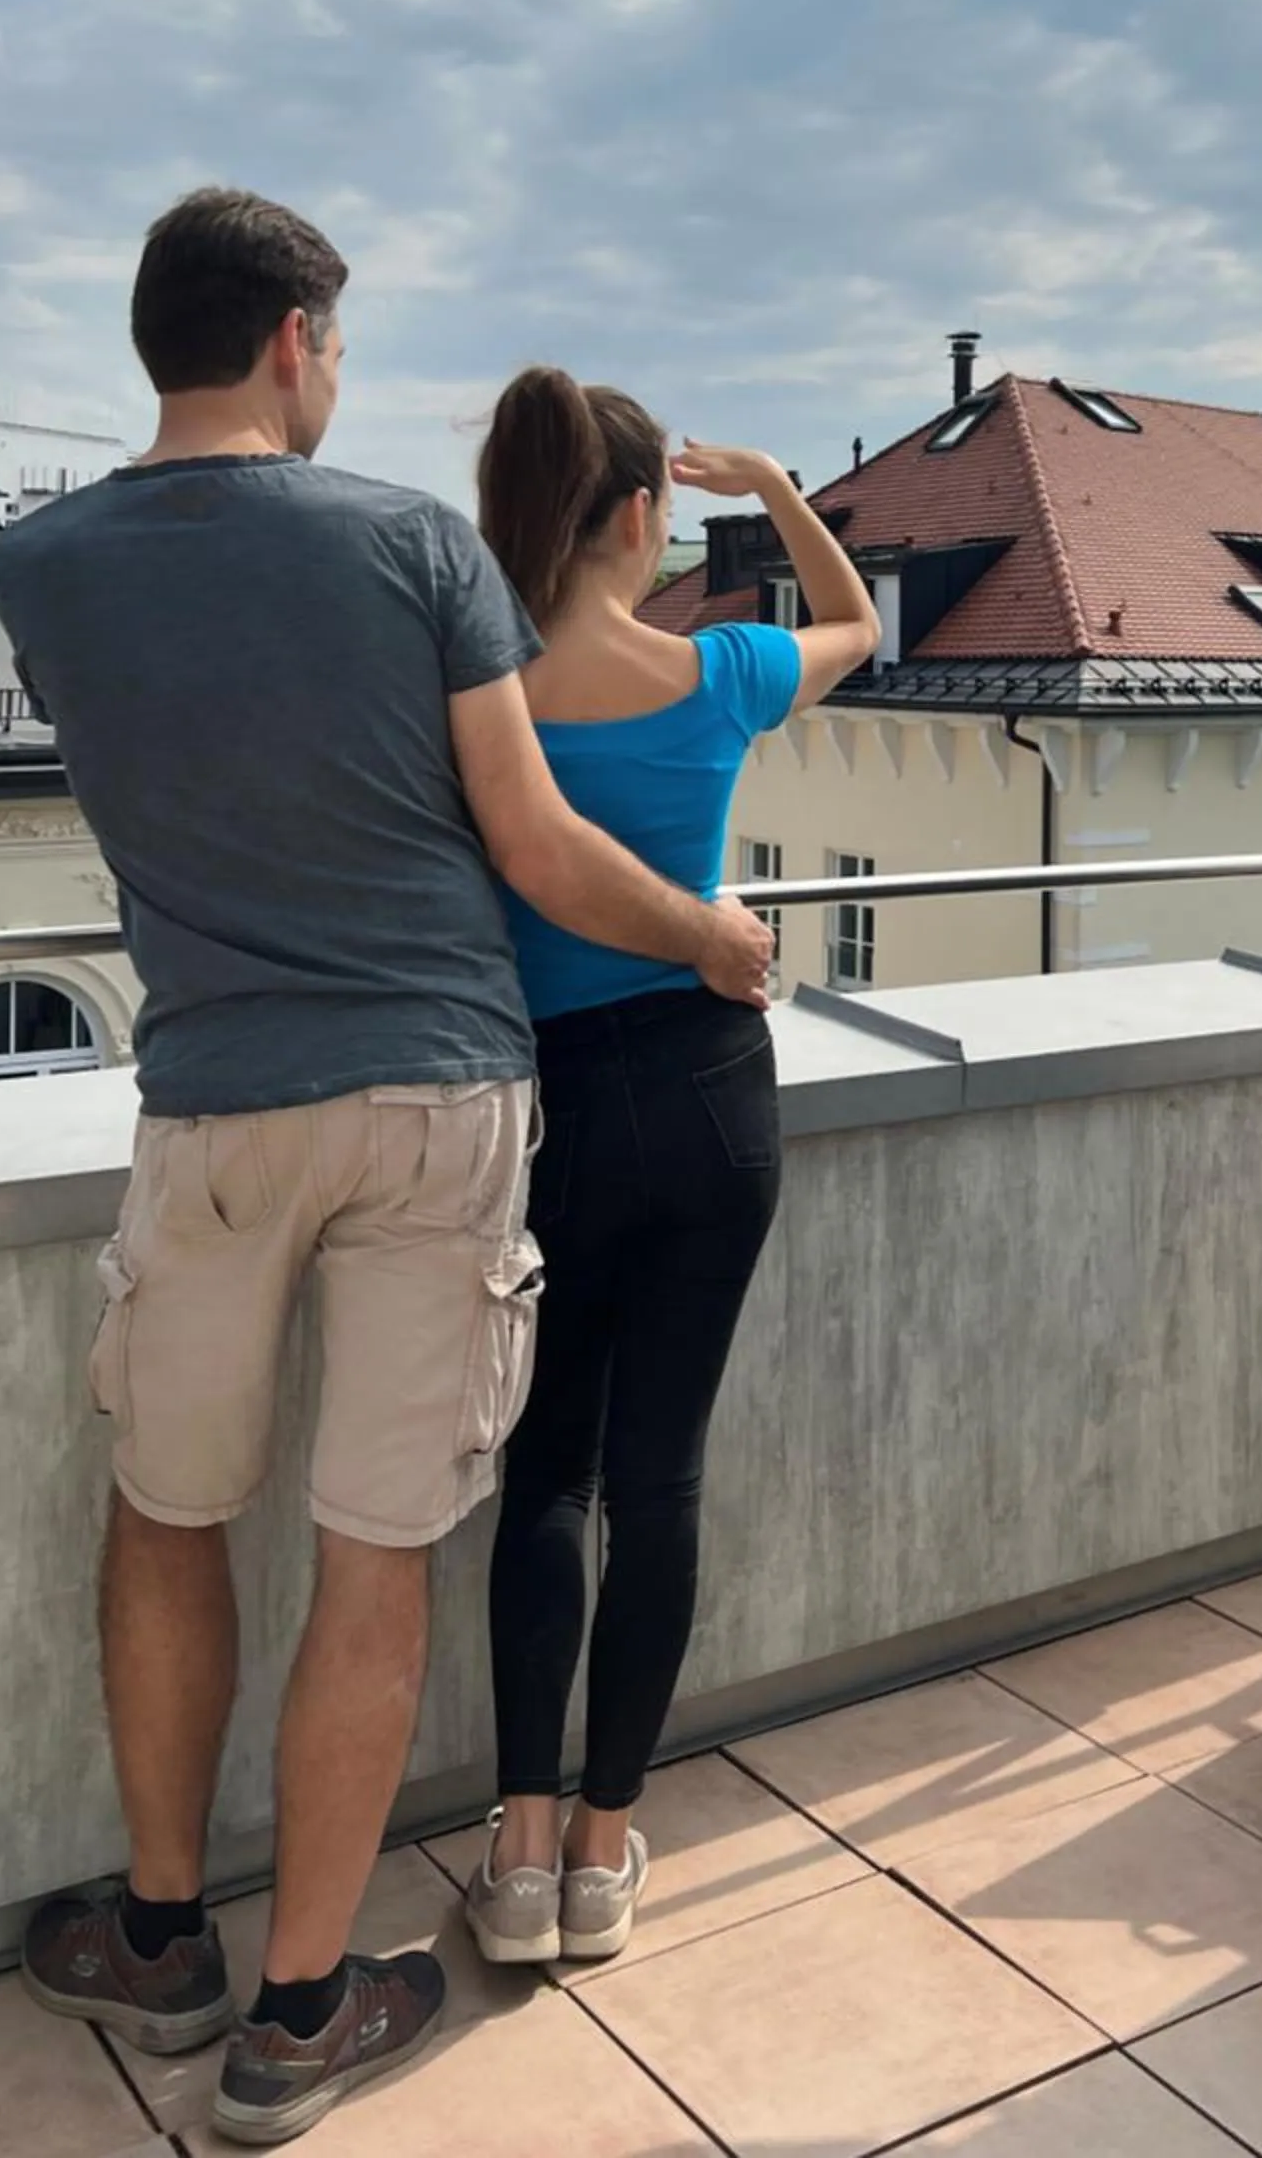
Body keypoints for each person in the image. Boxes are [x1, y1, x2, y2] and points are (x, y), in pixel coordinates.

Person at [0, 191, 775, 2147]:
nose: (337, 377)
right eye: (333, 345)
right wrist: (706, 940)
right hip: (438, 1092)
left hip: (215, 1099)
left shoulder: (38, 569)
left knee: (168, 1515)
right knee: (375, 1554)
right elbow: (525, 842)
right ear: (286, 341)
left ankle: (160, 1940)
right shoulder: (415, 544)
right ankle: (301, 2014)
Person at [458, 370, 877, 1967]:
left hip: (543, 1104)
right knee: (661, 1477)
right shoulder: (720, 673)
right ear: (643, 516)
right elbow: (860, 628)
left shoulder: (473, 686)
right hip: (707, 1087)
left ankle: (510, 1852)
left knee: (545, 1464)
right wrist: (775, 488)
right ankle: (605, 1847)